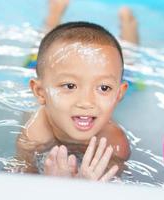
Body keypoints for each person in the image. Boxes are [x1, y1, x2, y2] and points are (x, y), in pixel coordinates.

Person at [16, 0, 139, 181]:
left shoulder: (114, 143)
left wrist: (84, 187)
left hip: (112, 70)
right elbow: (19, 181)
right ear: (40, 92)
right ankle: (54, 14)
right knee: (38, 55)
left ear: (119, 94)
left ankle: (129, 26)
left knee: (131, 62)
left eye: (104, 88)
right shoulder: (34, 135)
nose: (86, 102)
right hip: (52, 67)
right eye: (70, 86)